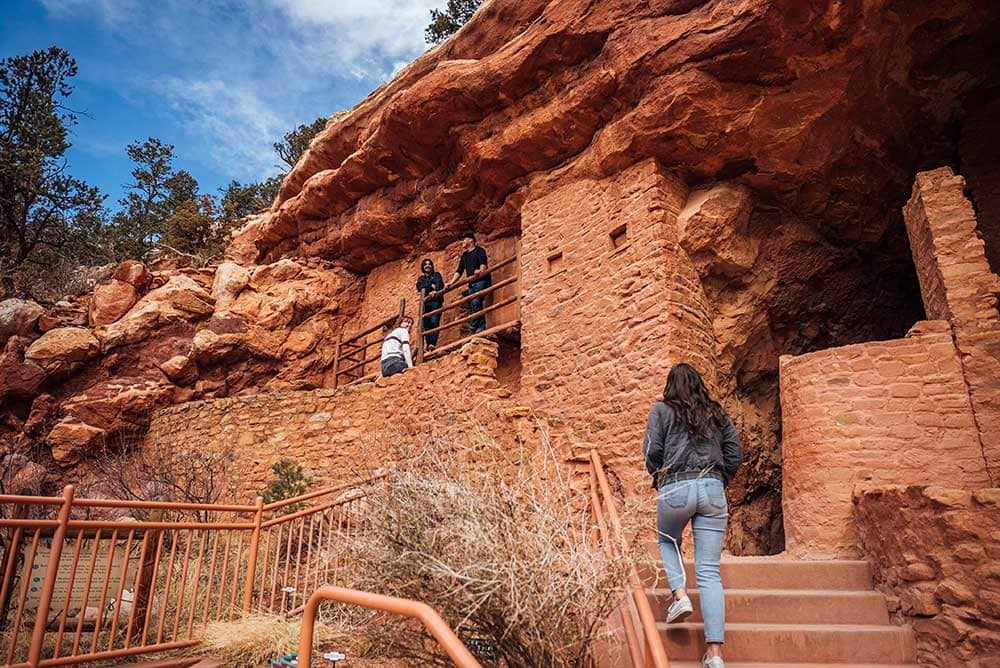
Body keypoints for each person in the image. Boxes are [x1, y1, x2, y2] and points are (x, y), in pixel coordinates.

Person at [642, 363, 742, 668]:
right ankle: (714, 655)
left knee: (666, 540)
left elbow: (652, 451)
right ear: (699, 385)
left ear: (670, 386)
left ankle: (680, 594)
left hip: (676, 487)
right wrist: (719, 481)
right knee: (709, 571)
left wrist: (659, 476)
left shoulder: (660, 411)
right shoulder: (715, 412)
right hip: (712, 488)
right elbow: (734, 452)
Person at [447, 233, 491, 335]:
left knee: (475, 303)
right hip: (472, 284)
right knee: (476, 304)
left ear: (471, 240)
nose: (462, 242)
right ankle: (481, 328)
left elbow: (483, 266)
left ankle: (472, 327)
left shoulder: (479, 251)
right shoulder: (464, 256)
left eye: (464, 239)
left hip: (482, 281)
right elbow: (459, 271)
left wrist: (480, 271)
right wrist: (451, 282)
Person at [416, 258, 445, 350]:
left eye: (429, 264)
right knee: (426, 324)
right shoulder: (421, 278)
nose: (427, 266)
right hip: (426, 304)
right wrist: (431, 286)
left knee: (434, 321)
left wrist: (433, 288)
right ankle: (428, 345)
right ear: (423, 267)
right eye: (425, 264)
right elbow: (419, 286)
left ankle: (432, 343)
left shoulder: (436, 275)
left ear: (432, 266)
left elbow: (440, 285)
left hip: (435, 301)